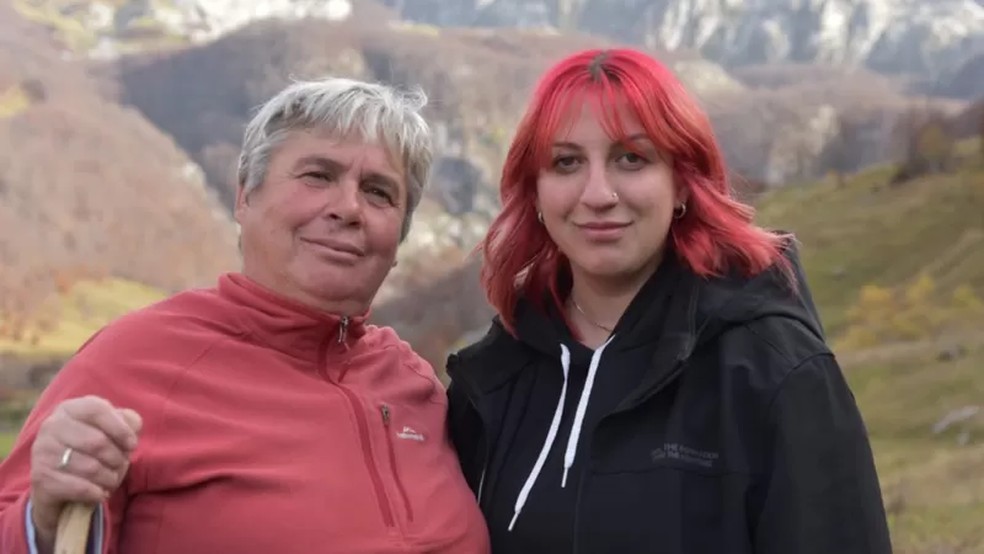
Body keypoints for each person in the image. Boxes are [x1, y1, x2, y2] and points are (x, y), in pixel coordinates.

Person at [0, 77, 490, 554]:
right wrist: (41, 519)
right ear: (245, 196)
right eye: (318, 175)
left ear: (399, 235)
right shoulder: (137, 361)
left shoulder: (414, 383)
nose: (349, 207)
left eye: (380, 192)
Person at [446, 48, 892, 553]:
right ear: (536, 193)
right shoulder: (496, 376)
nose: (597, 193)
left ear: (682, 181)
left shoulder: (773, 369)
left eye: (631, 158)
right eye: (566, 162)